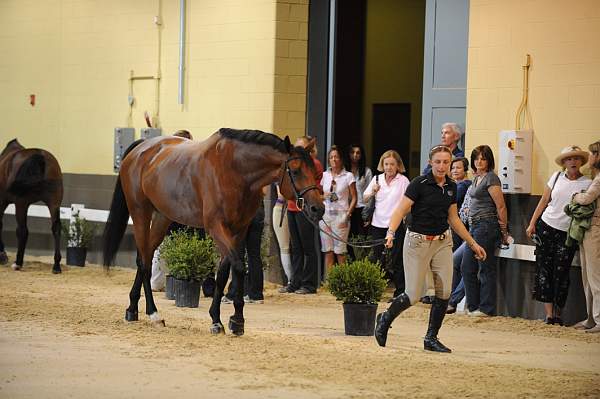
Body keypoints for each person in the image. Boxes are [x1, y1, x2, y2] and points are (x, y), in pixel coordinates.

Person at [374, 145, 486, 352]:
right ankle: (385, 318)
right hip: (417, 241)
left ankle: (431, 338)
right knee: (413, 294)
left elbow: (453, 218)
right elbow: (400, 210)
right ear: (430, 163)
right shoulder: (419, 184)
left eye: (446, 162)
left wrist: (472, 243)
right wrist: (390, 233)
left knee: (444, 291)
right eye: (438, 162)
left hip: (443, 241)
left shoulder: (451, 187)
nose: (442, 166)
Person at [526, 145, 591, 325]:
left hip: (567, 233)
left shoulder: (587, 183)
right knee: (544, 270)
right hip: (546, 227)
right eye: (569, 159)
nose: (573, 162)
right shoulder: (555, 177)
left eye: (576, 158)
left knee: (561, 272)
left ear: (581, 162)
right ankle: (549, 315)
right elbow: (544, 200)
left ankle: (559, 313)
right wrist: (532, 223)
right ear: (564, 163)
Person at [460, 145, 508, 317]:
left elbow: (501, 206)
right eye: (477, 158)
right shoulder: (476, 178)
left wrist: (504, 231)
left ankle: (486, 309)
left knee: (485, 267)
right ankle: (473, 307)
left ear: (489, 161)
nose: (479, 161)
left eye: (483, 158)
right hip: (473, 226)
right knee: (467, 267)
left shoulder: (491, 178)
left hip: (486, 226)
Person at [151, 129, 194, 291]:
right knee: (162, 246)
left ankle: (163, 281)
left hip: (179, 213)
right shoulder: (169, 164)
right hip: (171, 211)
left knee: (166, 247)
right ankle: (158, 281)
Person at [279, 136, 323, 295]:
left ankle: (309, 283)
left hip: (306, 207)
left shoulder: (313, 164)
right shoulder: (293, 162)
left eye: (301, 147)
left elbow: (314, 184)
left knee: (308, 247)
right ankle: (295, 281)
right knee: (295, 246)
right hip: (292, 206)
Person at [363, 150, 410, 297]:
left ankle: (400, 291)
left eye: (392, 164)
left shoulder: (403, 181)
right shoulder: (377, 179)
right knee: (377, 259)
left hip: (395, 226)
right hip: (377, 224)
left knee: (397, 259)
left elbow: (409, 202)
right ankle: (375, 290)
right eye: (386, 164)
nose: (389, 167)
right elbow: (364, 198)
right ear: (382, 165)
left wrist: (403, 216)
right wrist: (373, 192)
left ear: (398, 166)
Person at [572, 141, 600, 333]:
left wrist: (575, 196)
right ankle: (591, 317)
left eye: (591, 154)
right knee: (587, 276)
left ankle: (598, 319)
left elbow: (586, 198)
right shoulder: (596, 178)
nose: (589, 158)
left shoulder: (598, 180)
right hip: (589, 228)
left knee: (594, 276)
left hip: (595, 228)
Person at [319, 146, 357, 274]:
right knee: (328, 250)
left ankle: (342, 282)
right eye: (331, 157)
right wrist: (323, 196)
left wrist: (348, 214)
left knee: (340, 251)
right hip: (325, 216)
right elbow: (317, 195)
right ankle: (329, 283)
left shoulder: (348, 176)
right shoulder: (324, 175)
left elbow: (354, 197)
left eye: (336, 157)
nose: (334, 159)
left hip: (341, 216)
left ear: (341, 159)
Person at [223, 205, 266, 304]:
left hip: (241, 214)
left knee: (238, 254)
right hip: (257, 212)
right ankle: (256, 294)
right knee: (254, 255)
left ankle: (235, 292)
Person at [345, 144, 373, 240]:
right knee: (347, 237)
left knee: (361, 238)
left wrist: (368, 213)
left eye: (358, 153)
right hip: (346, 208)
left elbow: (370, 193)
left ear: (361, 155)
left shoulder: (367, 171)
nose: (355, 155)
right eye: (352, 152)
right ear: (348, 154)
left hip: (362, 208)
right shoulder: (344, 171)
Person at [272, 183, 292, 288]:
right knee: (284, 247)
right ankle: (290, 279)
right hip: (281, 207)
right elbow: (282, 195)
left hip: (293, 207)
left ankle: (295, 280)